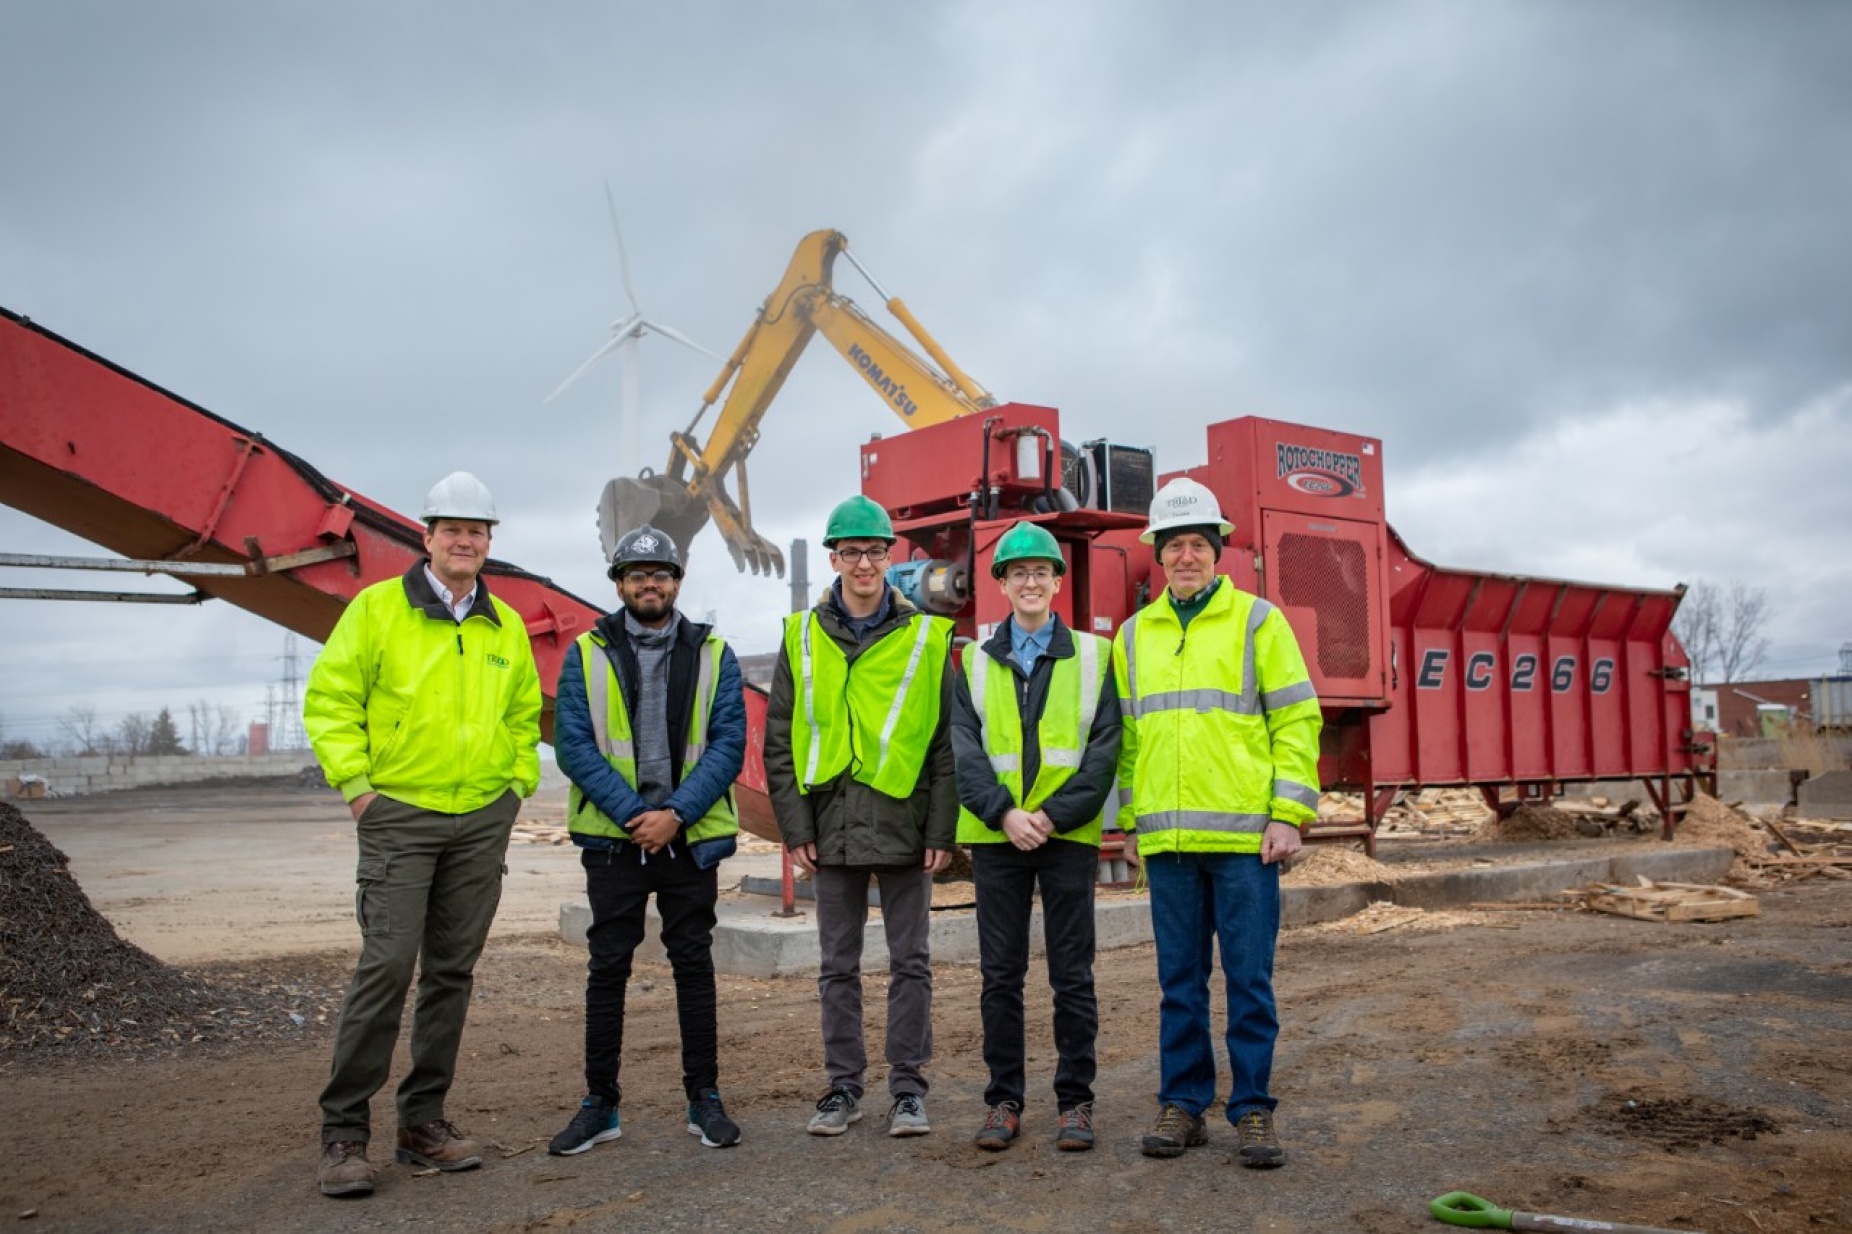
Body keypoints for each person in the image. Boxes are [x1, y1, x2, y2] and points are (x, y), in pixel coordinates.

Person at [304, 471, 542, 1198]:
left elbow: (523, 716)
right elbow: (331, 701)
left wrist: (515, 784)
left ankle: (422, 1122)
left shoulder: (504, 627)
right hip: (400, 815)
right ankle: (345, 1132)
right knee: (386, 966)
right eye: (453, 530)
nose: (465, 541)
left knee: (451, 972)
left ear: (489, 542)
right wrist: (359, 790)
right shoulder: (378, 610)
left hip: (481, 818)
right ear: (427, 536)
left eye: (477, 531)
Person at [1111, 477, 1321, 1169]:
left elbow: (1296, 719)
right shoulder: (1133, 636)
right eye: (1174, 546)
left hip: (1244, 843)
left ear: (1217, 550)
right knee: (1180, 986)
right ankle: (1183, 1105)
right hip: (1169, 844)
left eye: (1198, 544)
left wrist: (1288, 814)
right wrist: (1134, 823)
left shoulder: (1259, 621)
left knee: (1249, 982)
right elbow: (1130, 740)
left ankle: (1253, 1109)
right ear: (1157, 555)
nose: (1186, 557)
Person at [545, 525, 747, 1156]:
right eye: (637, 575)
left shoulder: (714, 652)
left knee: (694, 964)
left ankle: (704, 1098)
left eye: (660, 573)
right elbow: (574, 746)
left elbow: (728, 744)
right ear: (619, 585)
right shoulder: (585, 653)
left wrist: (676, 815)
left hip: (688, 840)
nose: (649, 584)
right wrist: (638, 816)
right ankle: (599, 1104)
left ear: (677, 582)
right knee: (608, 967)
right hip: (616, 840)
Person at [764, 494, 957, 1139]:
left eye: (875, 551)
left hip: (905, 821)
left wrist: (941, 830)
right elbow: (781, 740)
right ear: (834, 559)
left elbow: (945, 743)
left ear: (890, 556)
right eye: (852, 552)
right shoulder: (801, 636)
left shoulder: (926, 637)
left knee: (911, 963)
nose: (865, 563)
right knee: (837, 967)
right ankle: (843, 1087)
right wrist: (796, 829)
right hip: (831, 825)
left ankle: (907, 1090)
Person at [950, 520, 1121, 1153]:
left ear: (1057, 582)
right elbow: (964, 749)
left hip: (1066, 836)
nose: (1030, 581)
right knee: (1001, 975)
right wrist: (1004, 814)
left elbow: (1104, 748)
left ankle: (1075, 1103)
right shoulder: (972, 661)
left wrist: (1050, 815)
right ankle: (1004, 1101)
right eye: (1018, 572)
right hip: (998, 838)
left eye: (1040, 572)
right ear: (1002, 583)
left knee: (1072, 975)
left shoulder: (1096, 656)